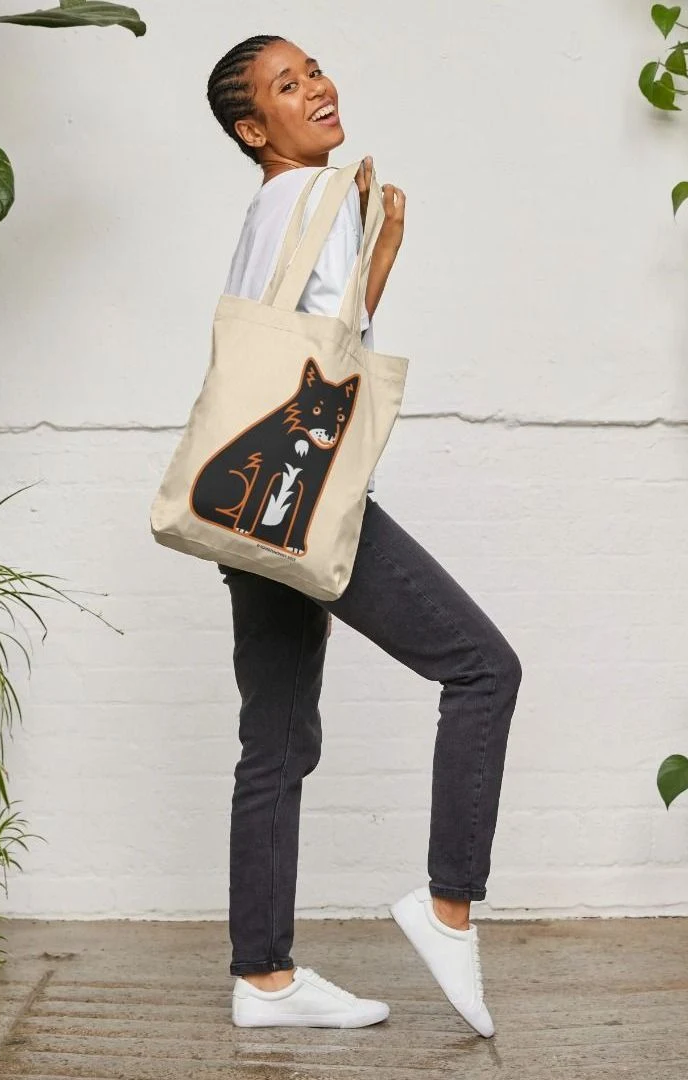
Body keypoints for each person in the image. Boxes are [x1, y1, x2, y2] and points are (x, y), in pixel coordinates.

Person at [206, 34, 522, 1038]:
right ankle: (447, 905)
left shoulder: (270, 206)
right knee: (484, 669)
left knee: (275, 743)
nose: (317, 88)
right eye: (286, 86)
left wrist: (375, 257)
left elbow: (303, 340)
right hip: (311, 502)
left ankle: (264, 979)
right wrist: (376, 250)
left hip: (249, 507)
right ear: (253, 129)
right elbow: (332, 355)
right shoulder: (314, 194)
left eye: (313, 71)